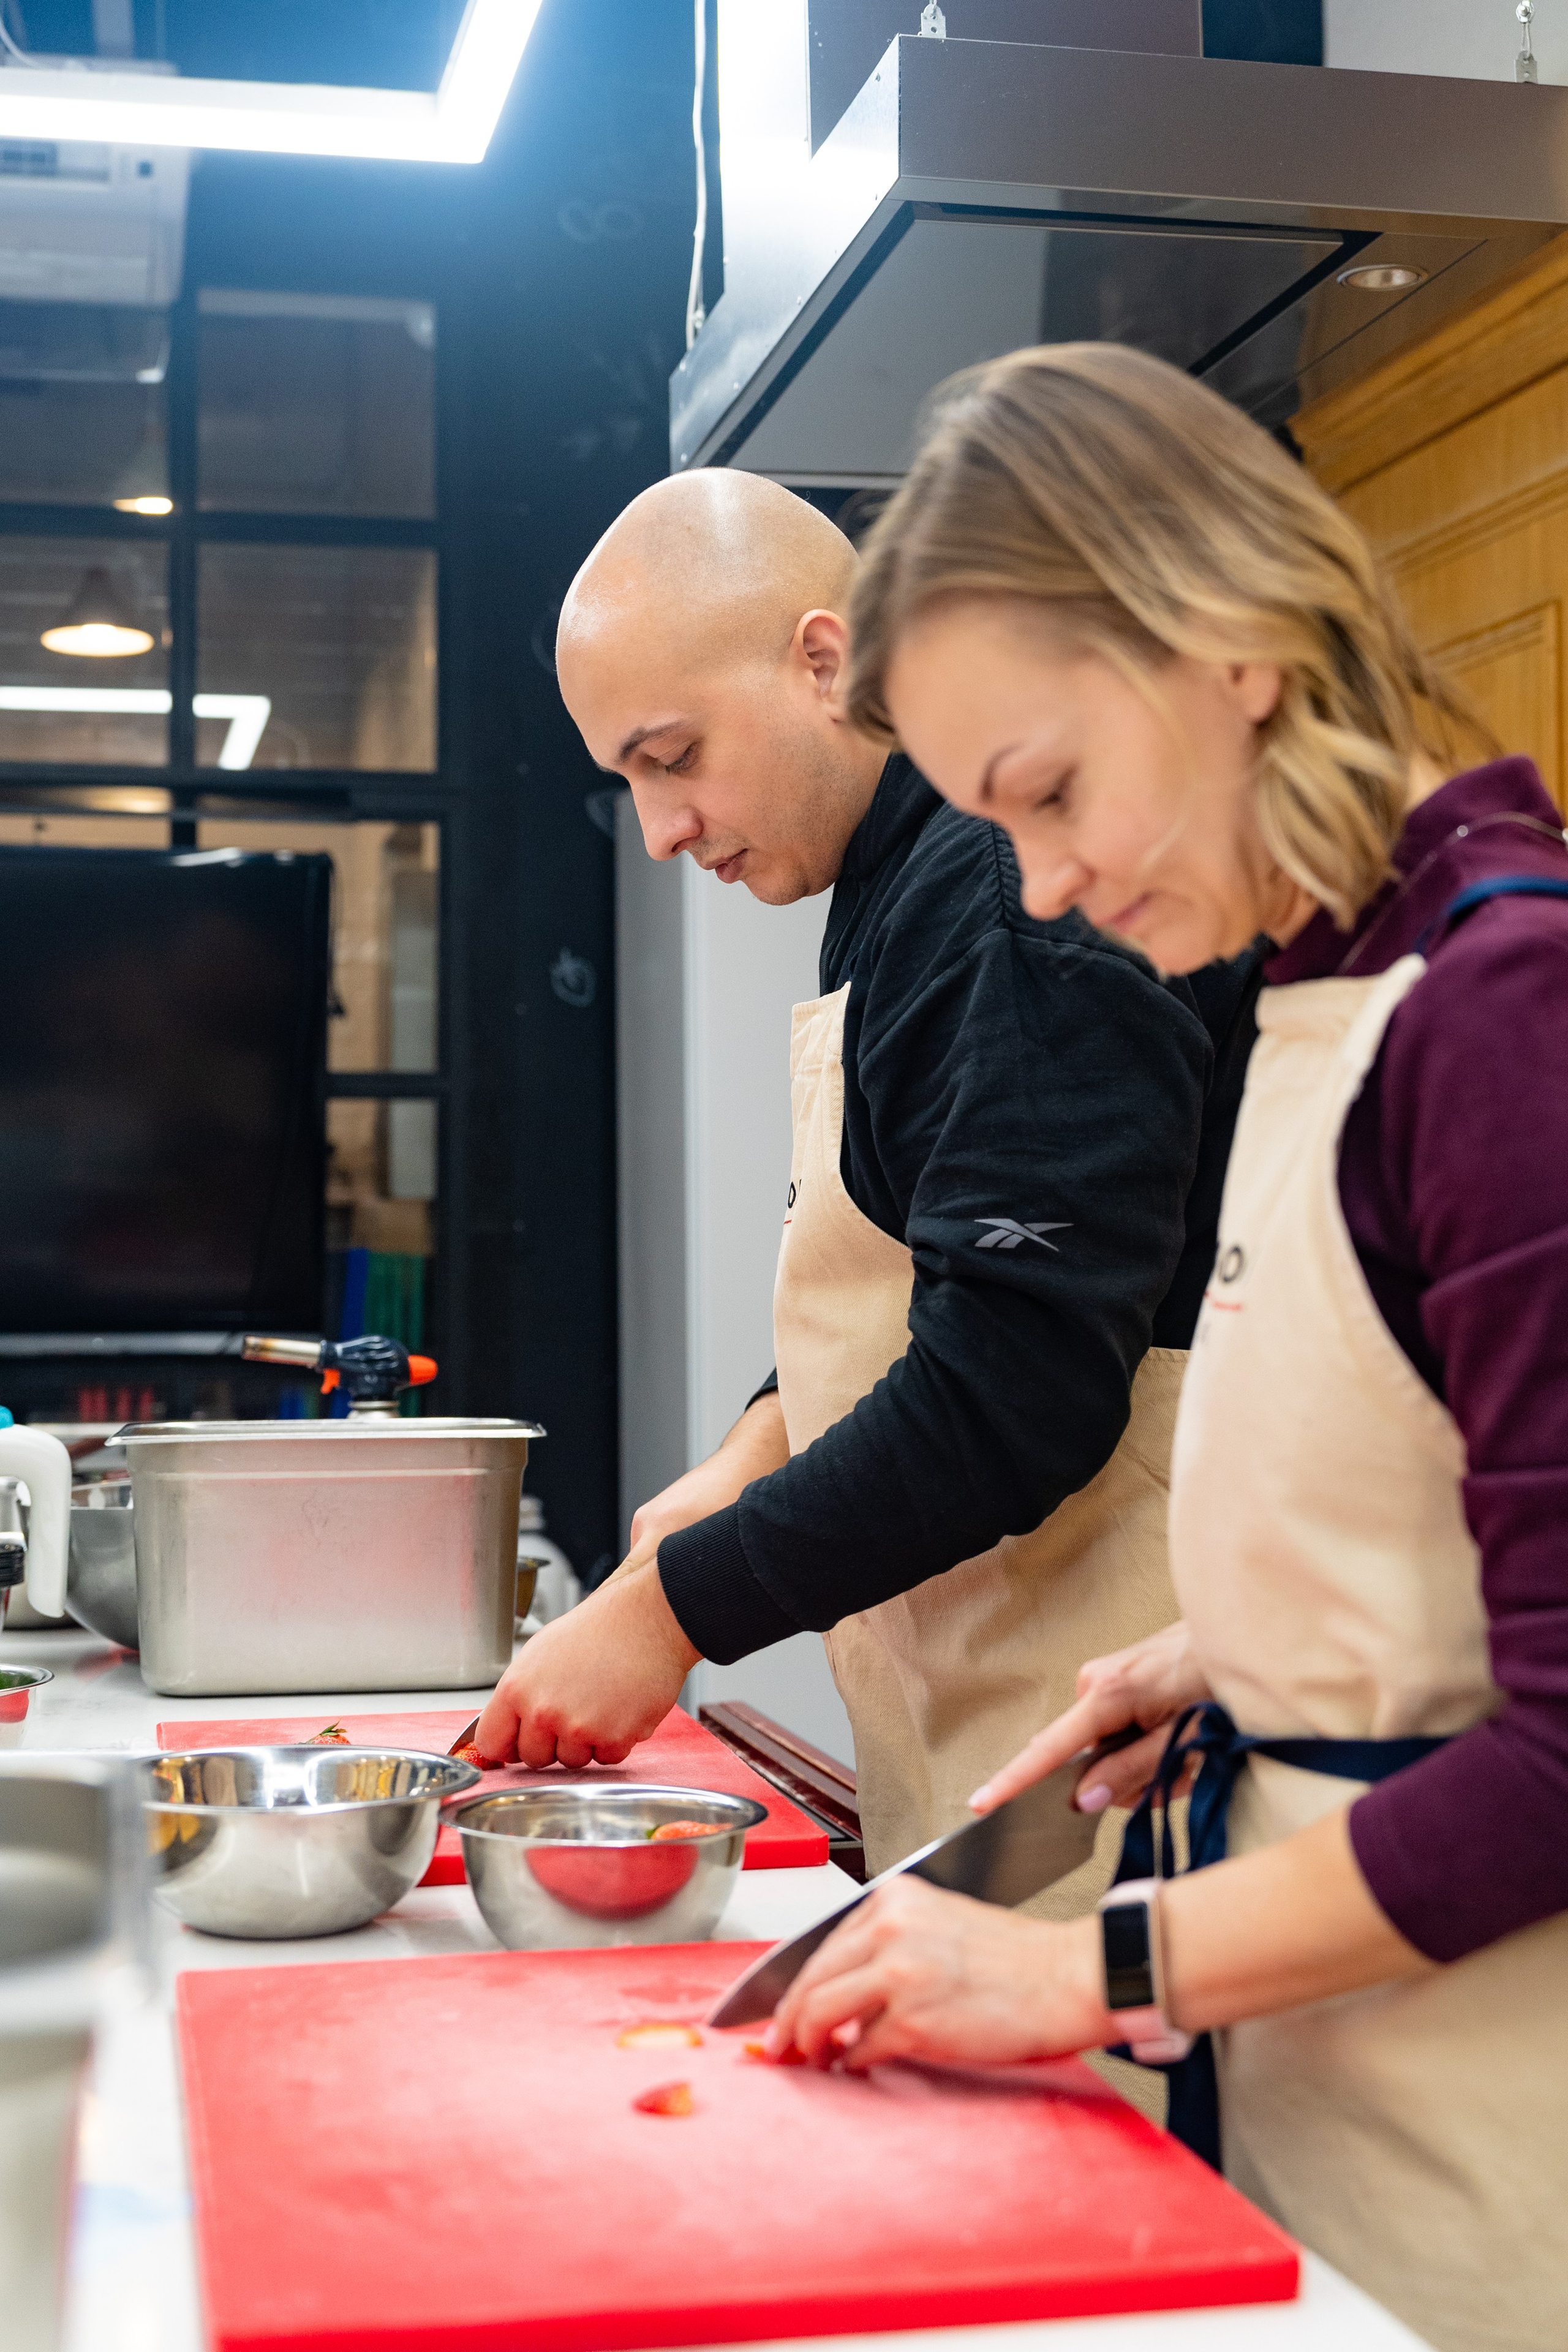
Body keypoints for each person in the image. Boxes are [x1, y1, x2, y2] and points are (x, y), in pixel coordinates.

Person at [764, 342, 1568, 2352]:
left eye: (1046, 793)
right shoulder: (1318, 998)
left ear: (1228, 643)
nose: (1048, 889)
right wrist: (1233, 1651)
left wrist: (1077, 1977)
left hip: (1495, 2159)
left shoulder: (1501, 1018)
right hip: (1330, 2107)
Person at [476, 467, 1258, 1902]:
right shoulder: (900, 888)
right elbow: (944, 1257)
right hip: (1003, 1742)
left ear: (823, 661)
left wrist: (670, 1612)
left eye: (672, 755)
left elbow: (1020, 1381)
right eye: (629, 779)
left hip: (1129, 1778)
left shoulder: (1003, 895)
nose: (658, 830)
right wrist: (753, 1449)